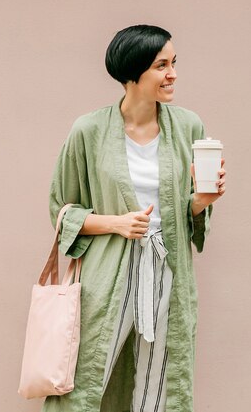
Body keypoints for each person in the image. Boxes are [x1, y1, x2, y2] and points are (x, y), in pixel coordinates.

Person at [42, 24, 227, 412]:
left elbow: (182, 212)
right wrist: (116, 223)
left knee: (158, 385)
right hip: (108, 276)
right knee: (86, 381)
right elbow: (62, 211)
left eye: (174, 63)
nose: (172, 73)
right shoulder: (89, 131)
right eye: (161, 65)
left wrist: (202, 199)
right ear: (133, 73)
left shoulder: (188, 126)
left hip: (167, 272)